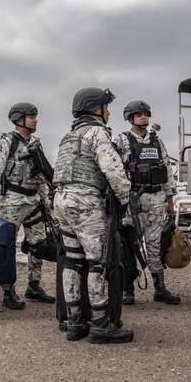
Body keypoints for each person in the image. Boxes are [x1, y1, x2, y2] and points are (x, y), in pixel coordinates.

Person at [52, 88, 134, 344]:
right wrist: (125, 200)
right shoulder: (97, 131)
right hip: (85, 201)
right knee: (98, 262)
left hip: (62, 200)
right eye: (105, 107)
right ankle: (100, 324)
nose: (108, 111)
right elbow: (113, 169)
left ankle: (75, 322)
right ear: (95, 108)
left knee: (72, 261)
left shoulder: (68, 136)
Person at [0, 102, 55, 309]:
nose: (35, 120)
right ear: (19, 119)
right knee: (7, 247)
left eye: (35, 116)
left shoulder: (36, 143)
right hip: (12, 202)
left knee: (39, 244)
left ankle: (33, 287)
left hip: (33, 201)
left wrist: (46, 200)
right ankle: (8, 291)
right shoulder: (6, 142)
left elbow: (41, 174)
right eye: (31, 116)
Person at [113, 101, 180, 306]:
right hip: (134, 201)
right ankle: (128, 289)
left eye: (145, 114)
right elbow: (115, 170)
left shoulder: (157, 142)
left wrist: (170, 199)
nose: (143, 117)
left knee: (154, 245)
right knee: (130, 247)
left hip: (157, 199)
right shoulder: (122, 141)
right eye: (138, 114)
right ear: (130, 118)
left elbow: (167, 170)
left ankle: (159, 289)